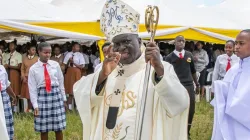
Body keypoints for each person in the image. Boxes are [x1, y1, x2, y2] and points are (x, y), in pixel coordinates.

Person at [73, 1, 189, 140]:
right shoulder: (108, 69)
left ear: (139, 41)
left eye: (126, 41)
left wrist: (159, 71)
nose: (121, 47)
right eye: (117, 44)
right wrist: (102, 75)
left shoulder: (158, 68)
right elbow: (80, 92)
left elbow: (180, 103)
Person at [211, 29, 250, 140]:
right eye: (236, 43)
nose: (236, 47)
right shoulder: (234, 69)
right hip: (230, 123)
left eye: (241, 43)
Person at [28, 42, 67, 140]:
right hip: (42, 97)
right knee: (43, 128)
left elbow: (61, 82)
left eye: (49, 53)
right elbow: (32, 88)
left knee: (58, 127)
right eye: (45, 52)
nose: (48, 55)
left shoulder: (55, 65)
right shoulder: (33, 69)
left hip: (56, 95)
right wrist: (35, 105)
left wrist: (64, 99)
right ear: (39, 52)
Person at [165, 35, 199, 140]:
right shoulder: (169, 58)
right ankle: (175, 132)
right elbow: (167, 74)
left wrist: (196, 84)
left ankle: (186, 132)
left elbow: (193, 71)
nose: (181, 43)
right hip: (176, 85)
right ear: (174, 43)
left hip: (189, 85)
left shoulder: (189, 55)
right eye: (179, 41)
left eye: (183, 41)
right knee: (177, 109)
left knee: (191, 109)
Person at [63, 42, 85, 110]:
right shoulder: (68, 54)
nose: (78, 48)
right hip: (70, 71)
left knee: (77, 89)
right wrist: (69, 62)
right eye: (76, 47)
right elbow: (65, 65)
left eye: (78, 47)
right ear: (73, 47)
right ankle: (69, 108)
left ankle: (77, 107)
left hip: (77, 71)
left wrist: (74, 62)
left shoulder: (80, 55)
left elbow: (82, 66)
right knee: (70, 90)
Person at [2, 42, 22, 112]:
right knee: (8, 89)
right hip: (7, 73)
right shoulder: (6, 55)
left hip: (15, 74)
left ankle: (15, 109)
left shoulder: (18, 55)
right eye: (9, 45)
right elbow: (3, 64)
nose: (10, 47)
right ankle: (9, 108)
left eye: (12, 45)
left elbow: (19, 67)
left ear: (15, 46)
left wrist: (9, 66)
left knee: (15, 91)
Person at [0, 64, 17, 140]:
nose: (0, 57)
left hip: (3, 97)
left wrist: (13, 96)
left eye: (0, 55)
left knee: (6, 121)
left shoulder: (2, 68)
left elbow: (6, 84)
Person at [20, 45, 39, 112]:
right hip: (26, 78)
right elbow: (22, 69)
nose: (34, 51)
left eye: (35, 50)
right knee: (27, 95)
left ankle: (35, 109)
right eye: (33, 49)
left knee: (33, 94)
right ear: (28, 51)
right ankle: (29, 110)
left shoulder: (37, 58)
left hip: (34, 79)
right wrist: (23, 77)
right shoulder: (25, 59)